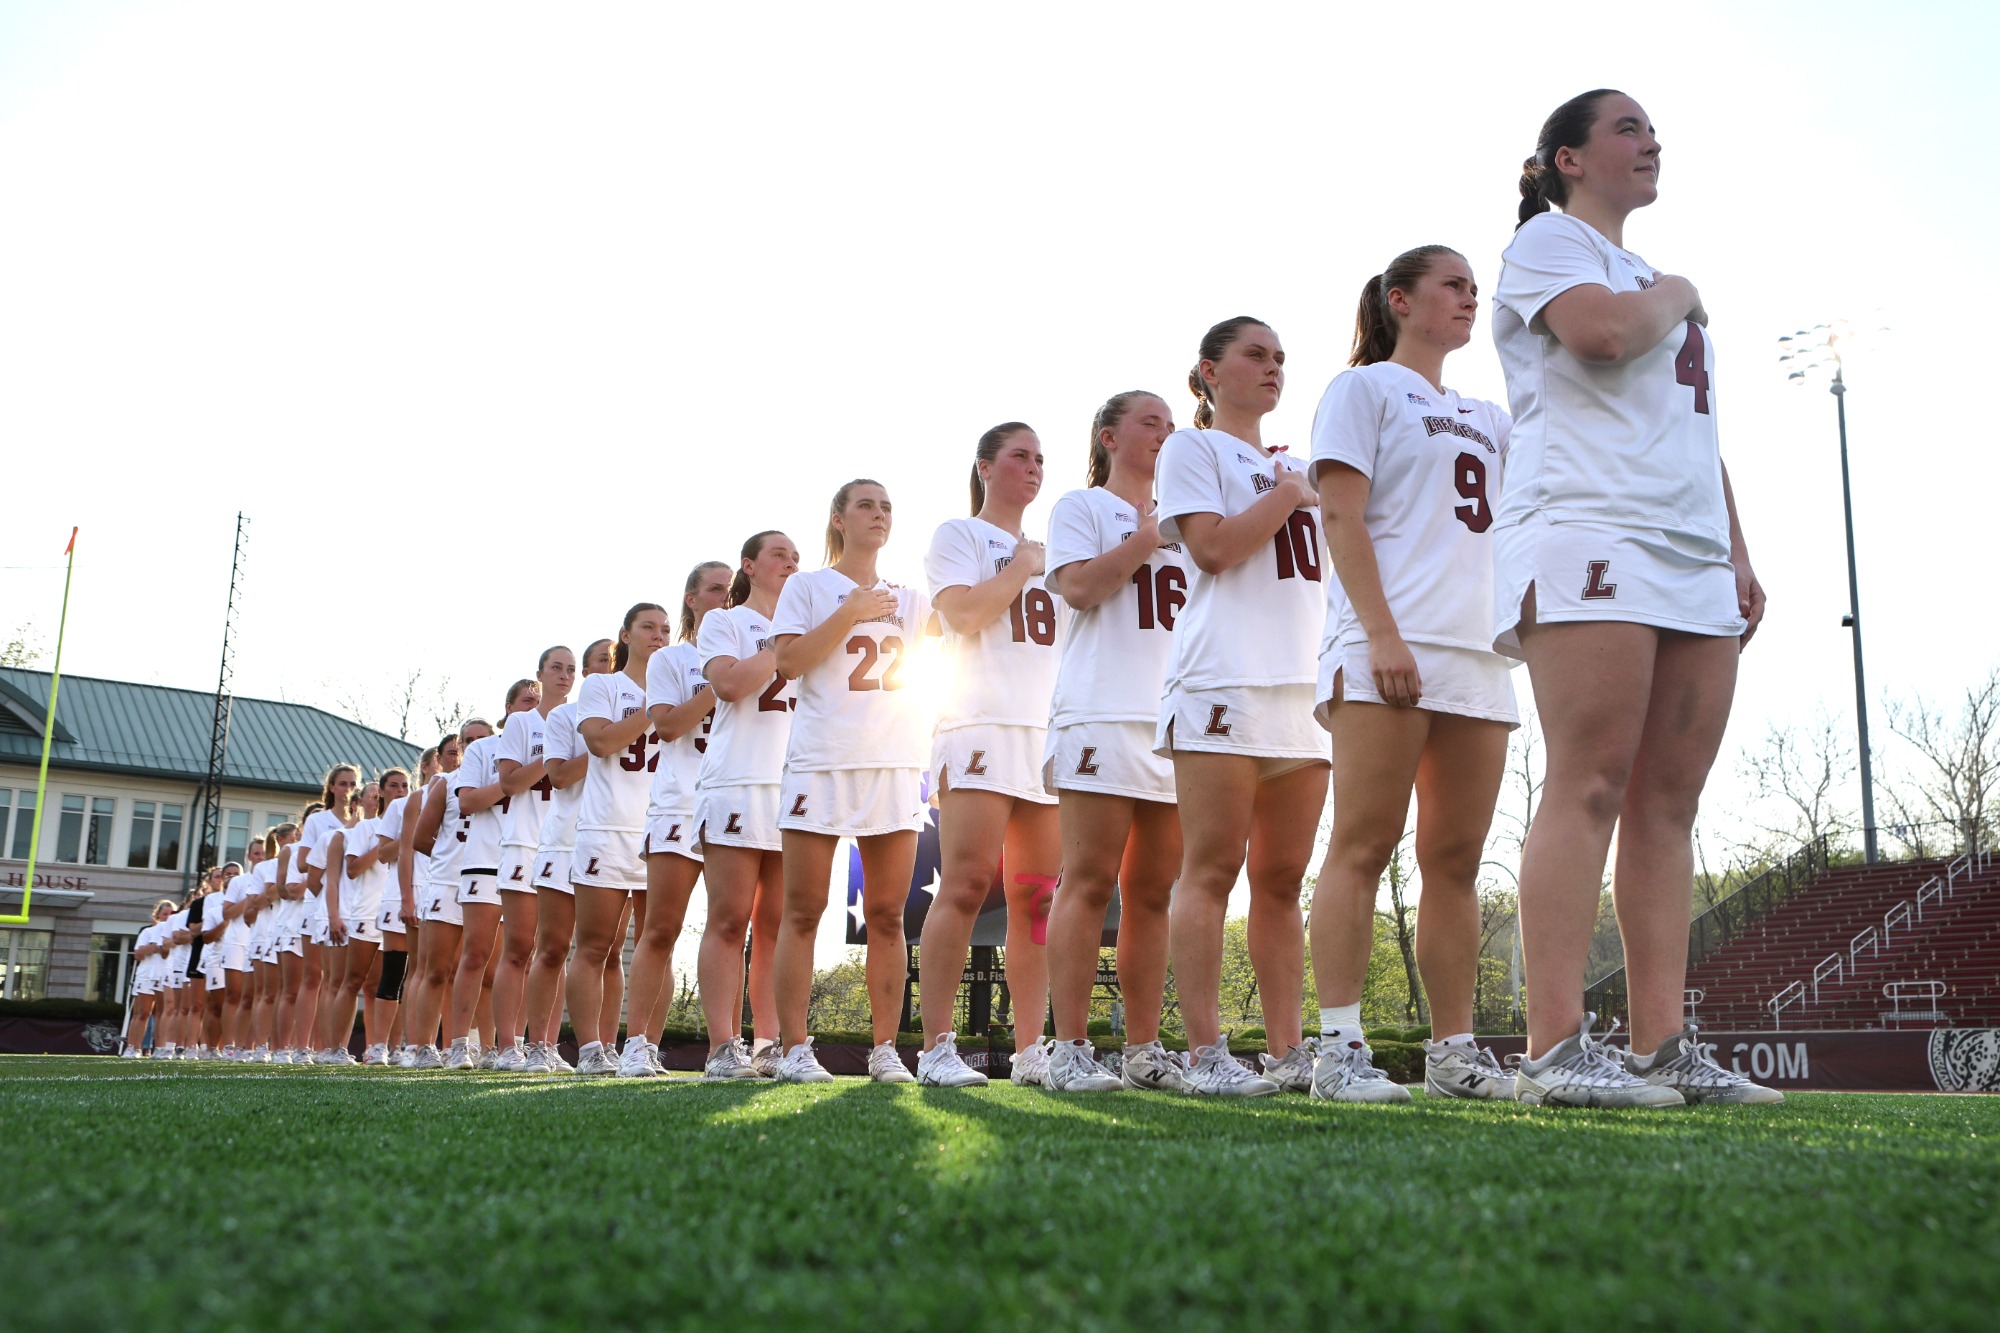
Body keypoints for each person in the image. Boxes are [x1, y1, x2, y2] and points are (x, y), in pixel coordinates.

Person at [1494, 89, 1776, 1107]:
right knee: (1589, 779)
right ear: (1568, 159)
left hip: (1688, 548)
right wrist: (1684, 291)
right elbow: (1600, 338)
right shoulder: (1546, 244)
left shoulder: (1651, 276)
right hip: (1588, 529)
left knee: (1669, 801)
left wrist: (1734, 551)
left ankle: (1663, 1046)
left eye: (1652, 128)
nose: (1649, 139)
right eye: (1625, 127)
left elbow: (1693, 432)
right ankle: (1553, 1050)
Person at [1305, 245, 1519, 1104]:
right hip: (1388, 643)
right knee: (1363, 843)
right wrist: (1383, 634)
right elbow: (1341, 515)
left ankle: (1453, 1048)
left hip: (1477, 653)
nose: (1471, 298)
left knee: (1457, 860)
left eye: (1476, 287)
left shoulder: (1489, 414)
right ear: (1401, 299)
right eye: (1453, 285)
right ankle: (1338, 1048)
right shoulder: (1360, 390)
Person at [1155, 316, 1327, 1096]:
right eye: (1255, 354)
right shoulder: (1193, 448)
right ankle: (1205, 1053)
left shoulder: (1301, 467)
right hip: (1223, 677)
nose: (1272, 368)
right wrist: (1289, 495)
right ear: (1209, 372)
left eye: (1280, 359)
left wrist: (1297, 485)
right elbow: (1214, 548)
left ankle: (1289, 1053)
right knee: (1213, 866)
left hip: (1303, 685)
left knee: (1285, 879)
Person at [1041, 390, 1188, 1093]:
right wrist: (1144, 538)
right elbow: (1078, 588)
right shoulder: (1083, 507)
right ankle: (1068, 1044)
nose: (1165, 432)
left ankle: (1142, 1046)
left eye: (1171, 423)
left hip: (1170, 718)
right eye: (1149, 422)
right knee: (1090, 877)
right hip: (1100, 709)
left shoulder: (1188, 518)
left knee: (1153, 891)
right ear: (1108, 436)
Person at [770, 480, 934, 1084]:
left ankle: (886, 1048)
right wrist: (850, 611)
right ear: (838, 519)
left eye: (887, 505)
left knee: (888, 914)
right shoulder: (808, 587)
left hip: (893, 762)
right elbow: (788, 663)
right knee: (804, 909)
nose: (879, 514)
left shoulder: (911, 599)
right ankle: (793, 1049)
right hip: (822, 759)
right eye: (866, 504)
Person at [918, 424, 1065, 1087]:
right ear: (985, 467)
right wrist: (1020, 566)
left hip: (1042, 734)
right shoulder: (960, 535)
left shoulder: (1054, 549)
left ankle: (1034, 1050)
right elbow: (965, 615)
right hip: (978, 724)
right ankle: (937, 1046)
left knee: (1036, 900)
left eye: (1039, 458)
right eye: (1019, 456)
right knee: (968, 882)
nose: (1033, 468)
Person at [693, 533, 799, 1081]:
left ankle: (769, 1043)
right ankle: (721, 1046)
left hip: (793, 786)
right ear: (750, 566)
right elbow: (731, 685)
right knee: (730, 919)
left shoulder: (808, 628)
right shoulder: (725, 622)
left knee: (779, 926)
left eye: (795, 556)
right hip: (736, 781)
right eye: (779, 554)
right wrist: (780, 647)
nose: (791, 562)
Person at [621, 565, 730, 1078]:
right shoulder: (672, 658)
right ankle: (639, 1043)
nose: (727, 595)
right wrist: (721, 684)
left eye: (733, 587)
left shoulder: (758, 651)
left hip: (735, 799)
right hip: (678, 802)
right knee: (661, 927)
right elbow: (666, 726)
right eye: (715, 587)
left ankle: (725, 1048)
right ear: (691, 599)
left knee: (731, 927)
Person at [569, 604, 672, 1075]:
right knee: (596, 945)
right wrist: (654, 708)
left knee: (661, 940)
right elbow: (602, 742)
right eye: (648, 627)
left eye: (665, 629)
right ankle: (591, 1048)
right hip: (607, 826)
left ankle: (644, 1047)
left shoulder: (679, 685)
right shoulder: (602, 685)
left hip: (660, 825)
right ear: (625, 635)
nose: (658, 635)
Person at [522, 638, 614, 1073]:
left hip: (614, 837)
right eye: (598, 662)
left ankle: (610, 1046)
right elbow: (557, 775)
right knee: (554, 946)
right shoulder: (563, 715)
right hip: (565, 839)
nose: (605, 669)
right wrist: (603, 744)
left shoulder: (641, 710)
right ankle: (539, 1044)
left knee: (609, 950)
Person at [488, 653, 576, 1071]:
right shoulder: (523, 723)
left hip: (564, 842)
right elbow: (508, 782)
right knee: (520, 947)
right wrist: (554, 756)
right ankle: (508, 1045)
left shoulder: (581, 718)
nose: (565, 676)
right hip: (524, 842)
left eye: (572, 669)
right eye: (557, 668)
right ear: (540, 676)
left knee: (555, 949)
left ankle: (545, 1044)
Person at [403, 719, 494, 1067]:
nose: (474, 746)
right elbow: (420, 839)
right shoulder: (445, 783)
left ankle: (484, 1048)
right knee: (434, 969)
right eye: (466, 741)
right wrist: (450, 857)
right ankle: (423, 1046)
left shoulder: (507, 782)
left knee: (484, 971)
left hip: (487, 882)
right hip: (447, 882)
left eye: (482, 739)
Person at [121, 900, 176, 1057]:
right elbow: (138, 954)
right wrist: (154, 947)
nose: (167, 917)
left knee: (163, 1013)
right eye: (164, 914)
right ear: (157, 915)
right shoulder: (148, 932)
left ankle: (159, 1048)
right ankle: (133, 1047)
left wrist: (159, 947)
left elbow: (167, 952)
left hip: (165, 974)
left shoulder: (174, 932)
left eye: (171, 914)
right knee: (142, 1012)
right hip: (146, 975)